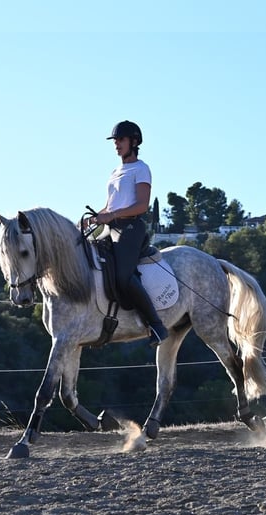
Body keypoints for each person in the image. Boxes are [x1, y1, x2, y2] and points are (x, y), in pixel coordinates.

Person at [92, 120, 169, 347]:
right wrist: (96, 216)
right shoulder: (115, 171)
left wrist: (112, 215)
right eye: (115, 141)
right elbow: (109, 205)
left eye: (120, 140)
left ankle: (156, 324)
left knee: (123, 277)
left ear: (134, 142)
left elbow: (142, 206)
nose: (116, 144)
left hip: (131, 228)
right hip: (110, 228)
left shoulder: (141, 169)